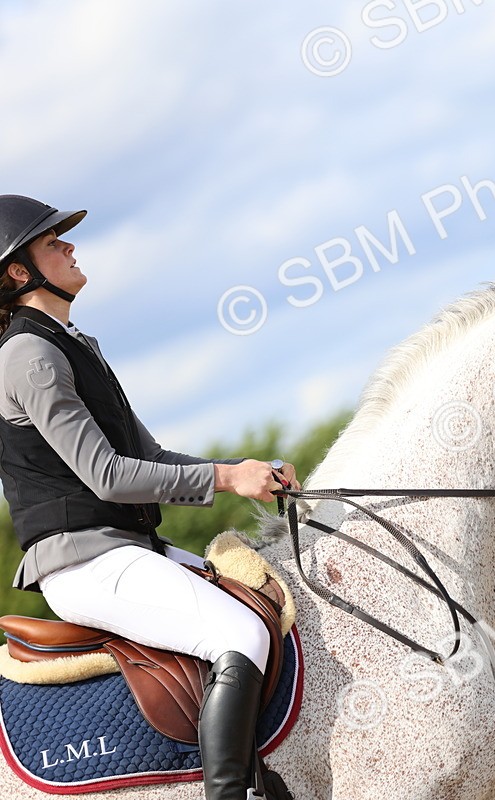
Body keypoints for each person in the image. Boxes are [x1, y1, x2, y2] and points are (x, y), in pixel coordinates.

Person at [0, 194, 298, 800]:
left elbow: (152, 460)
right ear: (18, 270)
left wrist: (243, 469)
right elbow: (107, 477)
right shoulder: (28, 354)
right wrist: (224, 479)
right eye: (55, 242)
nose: (71, 246)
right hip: (84, 561)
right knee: (239, 636)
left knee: (270, 597)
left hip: (132, 547)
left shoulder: (74, 343)